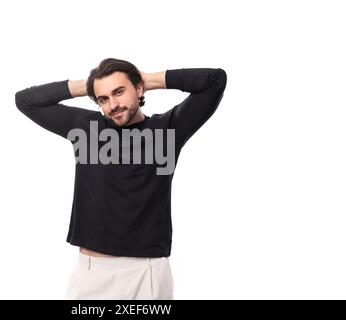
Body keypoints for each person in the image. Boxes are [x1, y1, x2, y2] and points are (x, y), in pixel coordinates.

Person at [14, 58, 227, 299]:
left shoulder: (168, 130)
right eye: (103, 99)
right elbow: (25, 100)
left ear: (138, 89)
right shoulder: (86, 128)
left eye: (119, 92)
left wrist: (149, 79)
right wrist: (89, 85)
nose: (113, 104)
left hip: (146, 272)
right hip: (92, 273)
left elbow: (214, 80)